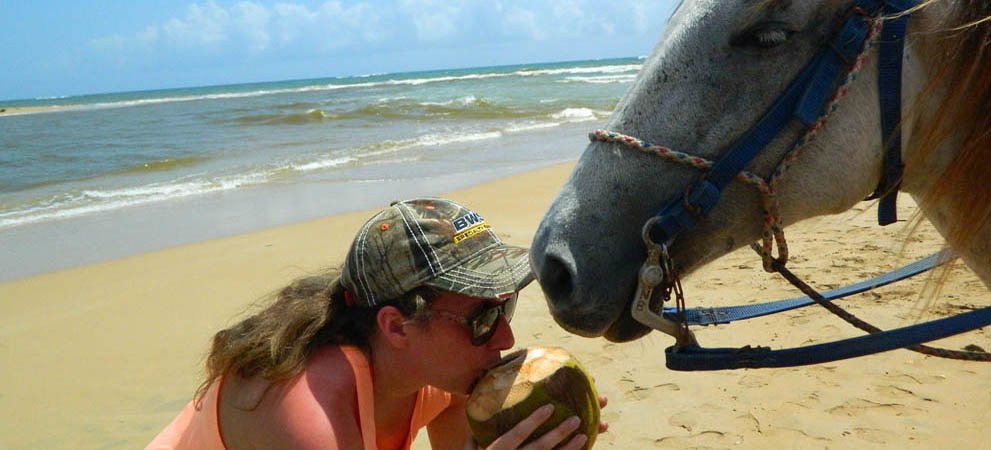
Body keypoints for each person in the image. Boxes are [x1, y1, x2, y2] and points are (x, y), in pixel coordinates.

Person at [147, 197, 605, 450]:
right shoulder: (307, 414)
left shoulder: (443, 379)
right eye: (482, 319)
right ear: (397, 327)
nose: (506, 337)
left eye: (504, 308)